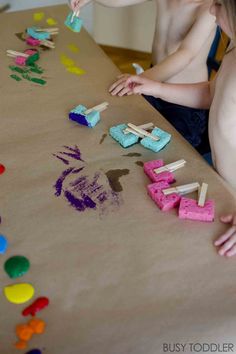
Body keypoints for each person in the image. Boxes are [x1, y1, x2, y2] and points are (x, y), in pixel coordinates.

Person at [109, 0, 236, 257]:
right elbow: (211, 93)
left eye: (220, 5)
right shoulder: (233, 51)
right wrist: (156, 88)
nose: (213, 9)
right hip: (224, 183)